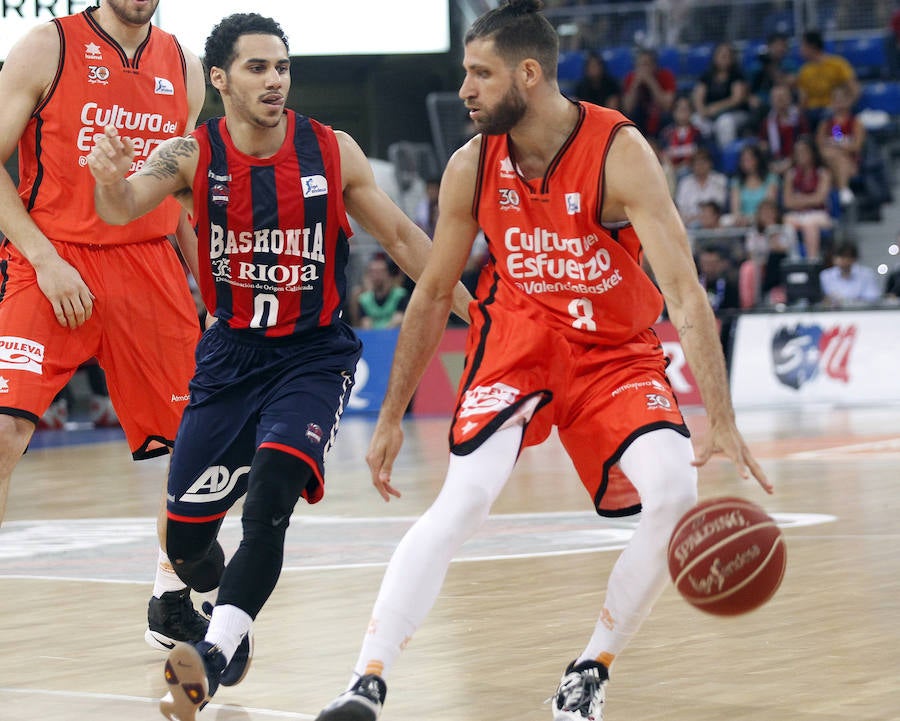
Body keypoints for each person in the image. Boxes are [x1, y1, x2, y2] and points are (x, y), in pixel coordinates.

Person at [313, 3, 772, 721]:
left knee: (677, 495)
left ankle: (589, 669)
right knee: (463, 499)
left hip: (614, 350)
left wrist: (722, 416)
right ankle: (365, 678)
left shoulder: (620, 153)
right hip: (520, 340)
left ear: (528, 74)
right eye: (466, 72)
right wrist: (392, 417)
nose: (465, 89)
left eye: (479, 74)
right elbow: (433, 291)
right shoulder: (470, 164)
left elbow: (684, 290)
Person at [87, 13, 472, 720]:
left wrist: (476, 313)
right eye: (257, 67)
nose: (274, 80)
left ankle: (217, 647)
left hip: (311, 355)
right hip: (229, 361)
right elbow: (122, 206)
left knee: (270, 502)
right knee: (189, 542)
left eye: (281, 67)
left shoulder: (331, 149)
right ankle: (219, 602)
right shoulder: (191, 153)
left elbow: (403, 237)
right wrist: (110, 182)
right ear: (219, 78)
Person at [0, 0, 211, 651]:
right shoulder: (46, 46)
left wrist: (208, 279)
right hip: (52, 258)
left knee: (205, 448)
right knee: (4, 429)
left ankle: (170, 597)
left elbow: (176, 189)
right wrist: (43, 258)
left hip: (149, 268)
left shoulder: (185, 65)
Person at [690, 42, 750, 150]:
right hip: (710, 114)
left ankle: (726, 154)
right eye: (721, 55)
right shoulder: (707, 76)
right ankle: (703, 154)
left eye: (727, 56)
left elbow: (736, 99)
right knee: (696, 120)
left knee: (724, 123)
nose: (724, 58)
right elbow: (698, 96)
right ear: (714, 57)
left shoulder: (737, 75)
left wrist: (715, 108)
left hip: (734, 113)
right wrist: (702, 110)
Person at [782, 135, 833, 261]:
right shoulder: (791, 174)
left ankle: (812, 260)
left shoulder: (823, 173)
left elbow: (820, 199)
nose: (801, 155)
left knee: (810, 223)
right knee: (787, 222)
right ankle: (794, 258)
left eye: (804, 151)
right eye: (798, 152)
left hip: (819, 214)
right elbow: (787, 202)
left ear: (812, 152)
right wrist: (809, 199)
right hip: (798, 215)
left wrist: (798, 199)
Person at [815, 83, 866, 207]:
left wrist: (836, 146)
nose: (839, 103)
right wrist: (840, 147)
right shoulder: (826, 124)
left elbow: (856, 147)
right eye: (836, 99)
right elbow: (820, 148)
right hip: (829, 163)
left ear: (849, 101)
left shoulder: (856, 123)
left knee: (838, 159)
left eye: (842, 99)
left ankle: (837, 195)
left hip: (851, 163)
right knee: (834, 158)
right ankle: (843, 190)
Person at [796, 30, 859, 129]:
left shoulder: (838, 64)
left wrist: (846, 105)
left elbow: (855, 89)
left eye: (802, 46)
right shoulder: (804, 71)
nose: (800, 50)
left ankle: (837, 139)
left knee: (831, 119)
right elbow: (803, 100)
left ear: (812, 46)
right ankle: (807, 142)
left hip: (833, 109)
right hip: (812, 112)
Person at [621, 48, 676, 139]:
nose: (642, 69)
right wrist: (636, 84)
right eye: (639, 65)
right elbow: (627, 108)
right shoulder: (631, 78)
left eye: (646, 64)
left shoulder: (666, 75)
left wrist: (651, 82)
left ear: (654, 65)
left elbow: (667, 106)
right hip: (640, 120)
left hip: (660, 120)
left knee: (665, 116)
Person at [725, 143, 779, 227]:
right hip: (743, 221)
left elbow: (769, 205)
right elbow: (735, 209)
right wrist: (741, 218)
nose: (746, 163)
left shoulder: (771, 178)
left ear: (757, 160)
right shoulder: (737, 181)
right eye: (743, 160)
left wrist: (753, 219)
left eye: (749, 160)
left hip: (765, 218)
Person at [674, 147, 728, 229]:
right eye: (697, 163)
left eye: (703, 162)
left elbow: (720, 204)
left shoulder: (720, 180)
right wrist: (699, 218)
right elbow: (680, 208)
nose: (700, 166)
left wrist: (705, 218)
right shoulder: (685, 183)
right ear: (692, 166)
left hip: (715, 224)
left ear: (710, 163)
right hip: (689, 224)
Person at [818, 240, 882, 307]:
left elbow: (873, 298)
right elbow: (823, 300)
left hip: (861, 313)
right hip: (834, 314)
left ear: (853, 259)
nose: (840, 260)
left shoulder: (867, 274)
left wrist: (846, 301)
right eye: (837, 256)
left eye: (844, 256)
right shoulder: (825, 275)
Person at [355, 253, 409, 329]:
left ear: (388, 273)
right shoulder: (364, 299)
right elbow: (366, 324)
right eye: (372, 271)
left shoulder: (400, 295)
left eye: (380, 271)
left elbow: (399, 319)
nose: (376, 276)